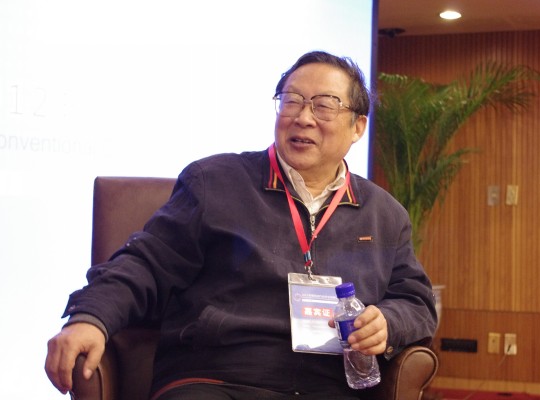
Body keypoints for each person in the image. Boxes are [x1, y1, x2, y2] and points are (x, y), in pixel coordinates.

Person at [45, 50, 438, 400]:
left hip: (327, 385)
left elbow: (416, 302)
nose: (303, 118)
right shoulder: (214, 182)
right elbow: (145, 264)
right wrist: (90, 318)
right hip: (216, 377)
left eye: (324, 106)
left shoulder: (384, 214)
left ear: (358, 126)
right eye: (292, 101)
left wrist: (388, 323)